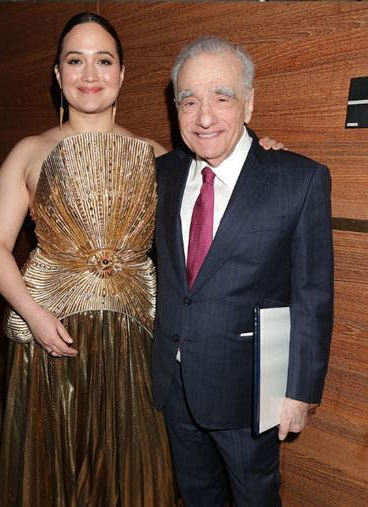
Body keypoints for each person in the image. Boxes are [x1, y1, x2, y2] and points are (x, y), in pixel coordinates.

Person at [0, 13, 178, 506]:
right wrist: (33, 314)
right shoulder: (29, 151)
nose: (89, 75)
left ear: (122, 74)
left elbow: (219, 193)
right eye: (75, 61)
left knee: (133, 465)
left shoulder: (158, 157)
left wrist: (261, 148)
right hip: (52, 333)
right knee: (55, 466)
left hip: (134, 335)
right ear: (57, 74)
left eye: (103, 61)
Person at [151, 36, 333, 506]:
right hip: (174, 386)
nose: (204, 116)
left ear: (249, 103)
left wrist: (300, 392)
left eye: (222, 97)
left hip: (250, 394)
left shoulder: (299, 179)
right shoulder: (160, 175)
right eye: (188, 100)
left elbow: (313, 296)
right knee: (196, 495)